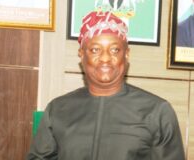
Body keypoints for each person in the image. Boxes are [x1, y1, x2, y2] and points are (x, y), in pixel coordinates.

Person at [27, 11, 185, 160]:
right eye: (95, 49)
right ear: (82, 54)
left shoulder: (157, 112)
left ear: (126, 54)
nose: (105, 58)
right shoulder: (58, 109)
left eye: (115, 50)